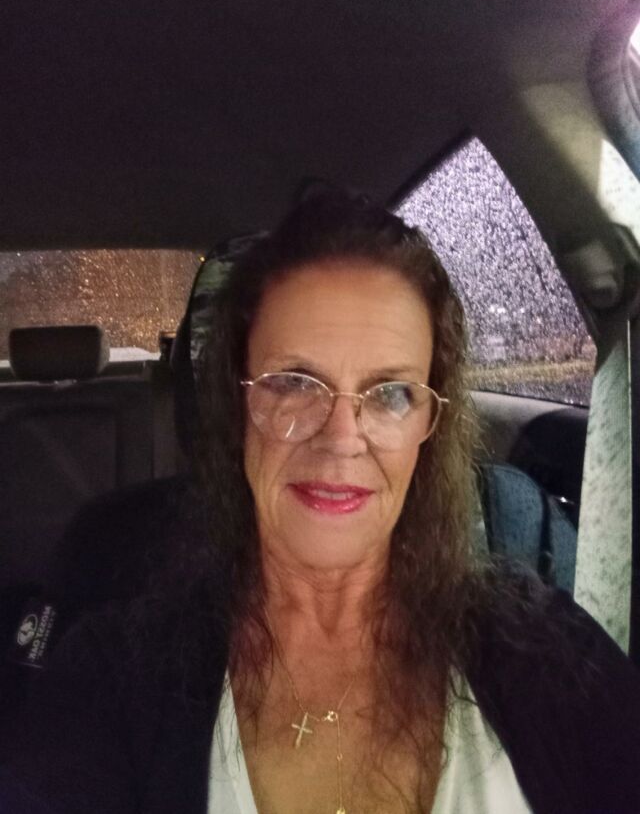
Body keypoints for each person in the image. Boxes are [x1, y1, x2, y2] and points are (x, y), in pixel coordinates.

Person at [1, 186, 640, 814]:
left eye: (391, 393)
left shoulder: (549, 654)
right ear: (238, 403)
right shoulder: (112, 680)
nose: (341, 439)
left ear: (430, 422)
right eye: (294, 383)